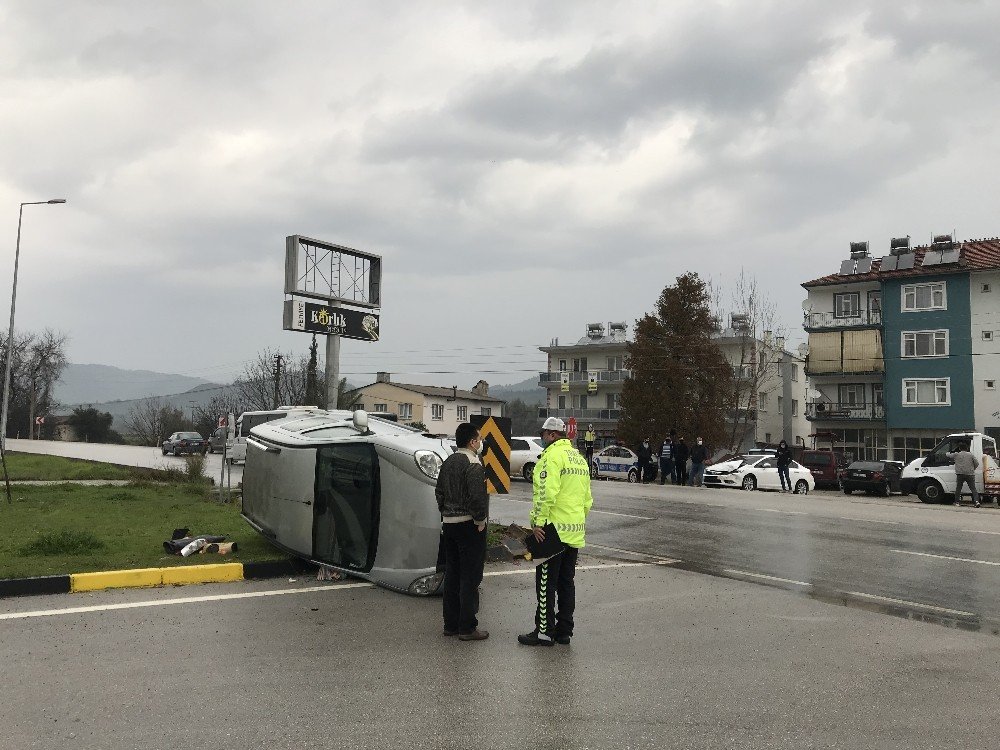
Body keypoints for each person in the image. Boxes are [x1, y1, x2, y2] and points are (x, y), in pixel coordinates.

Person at [519, 416, 594, 647]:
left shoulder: (550, 458)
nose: (542, 439)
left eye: (543, 435)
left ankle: (543, 631)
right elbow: (587, 500)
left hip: (552, 531)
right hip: (574, 531)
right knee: (566, 583)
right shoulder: (579, 460)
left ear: (552, 435)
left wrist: (537, 523)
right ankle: (564, 632)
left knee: (545, 583)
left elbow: (545, 494)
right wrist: (578, 521)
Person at [435, 422, 490, 641]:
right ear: (472, 442)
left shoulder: (448, 462)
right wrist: (479, 520)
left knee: (452, 574)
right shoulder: (473, 462)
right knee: (470, 576)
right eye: (479, 438)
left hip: (449, 524)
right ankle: (467, 627)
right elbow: (476, 497)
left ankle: (450, 624)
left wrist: (446, 512)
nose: (481, 442)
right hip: (469, 525)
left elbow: (439, 492)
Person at [947, 441, 981, 508]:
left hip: (960, 474)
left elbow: (948, 455)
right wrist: (972, 469)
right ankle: (976, 502)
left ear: (960, 448)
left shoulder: (956, 454)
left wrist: (948, 451)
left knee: (958, 488)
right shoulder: (970, 455)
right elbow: (977, 463)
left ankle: (957, 502)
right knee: (973, 489)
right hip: (970, 474)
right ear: (967, 448)